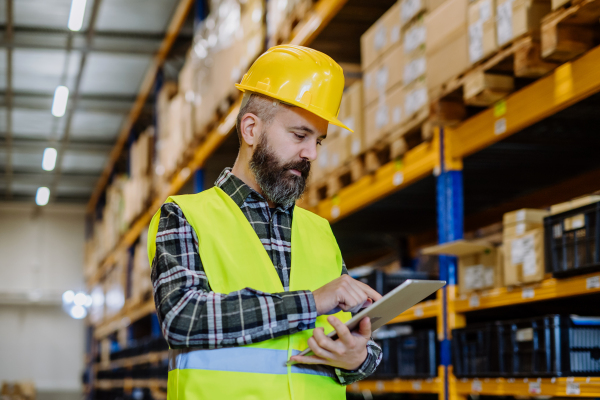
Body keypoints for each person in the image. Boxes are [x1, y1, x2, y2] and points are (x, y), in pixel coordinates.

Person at [148, 45, 382, 400]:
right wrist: (311, 302)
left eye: (318, 140)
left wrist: (358, 358)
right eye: (299, 135)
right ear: (251, 129)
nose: (311, 154)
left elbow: (355, 340)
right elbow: (183, 318)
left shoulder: (319, 232)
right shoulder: (185, 215)